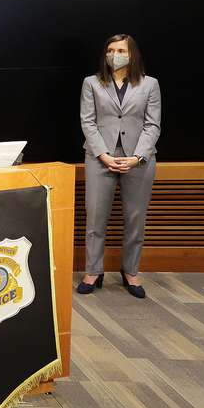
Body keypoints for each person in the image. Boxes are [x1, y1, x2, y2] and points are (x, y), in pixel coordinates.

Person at [78, 34, 161, 299]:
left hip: (138, 161)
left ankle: (131, 271)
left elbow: (153, 125)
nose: (115, 55)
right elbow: (88, 122)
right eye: (111, 50)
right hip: (100, 158)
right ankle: (93, 271)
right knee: (95, 219)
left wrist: (138, 157)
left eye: (121, 50)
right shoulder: (91, 83)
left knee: (135, 219)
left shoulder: (150, 85)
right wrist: (103, 154)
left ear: (132, 54)